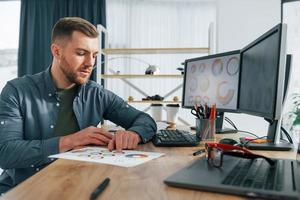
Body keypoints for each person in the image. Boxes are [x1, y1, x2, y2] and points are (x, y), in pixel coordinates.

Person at [0, 17, 157, 193]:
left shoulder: (96, 94)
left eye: (94, 55)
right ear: (57, 51)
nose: (90, 63)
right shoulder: (16, 91)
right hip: (23, 190)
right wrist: (72, 140)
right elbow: (5, 153)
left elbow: (145, 120)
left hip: (79, 187)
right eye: (81, 53)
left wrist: (134, 134)